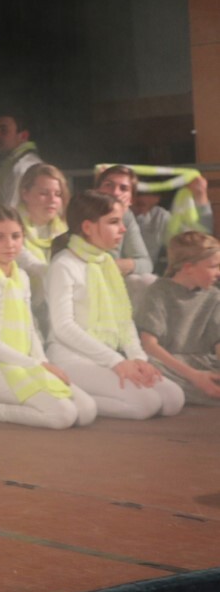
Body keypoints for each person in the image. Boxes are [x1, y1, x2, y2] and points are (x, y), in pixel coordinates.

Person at [44, 190, 184, 421]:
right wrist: (116, 361)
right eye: (113, 222)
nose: (123, 229)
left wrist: (138, 358)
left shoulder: (107, 263)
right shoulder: (64, 265)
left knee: (173, 399)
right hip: (72, 358)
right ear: (88, 227)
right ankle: (69, 397)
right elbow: (63, 327)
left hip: (107, 357)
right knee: (147, 403)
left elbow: (123, 319)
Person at [0, 205, 96, 429]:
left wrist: (43, 363)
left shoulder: (21, 276)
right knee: (63, 416)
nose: (9, 244)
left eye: (15, 236)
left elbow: (30, 329)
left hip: (26, 364)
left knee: (87, 410)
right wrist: (36, 365)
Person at [135, 231, 220, 405]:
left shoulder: (214, 296)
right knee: (149, 366)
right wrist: (194, 376)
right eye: (213, 266)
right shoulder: (158, 292)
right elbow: (149, 345)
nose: (218, 272)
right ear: (188, 268)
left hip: (201, 362)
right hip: (167, 362)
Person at [94, 165, 154, 286]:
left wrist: (118, 265)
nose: (115, 192)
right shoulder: (84, 211)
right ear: (97, 191)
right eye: (109, 185)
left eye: (123, 188)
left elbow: (146, 264)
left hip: (110, 281)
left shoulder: (126, 216)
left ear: (131, 200)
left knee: (145, 280)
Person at [0, 112, 44, 208]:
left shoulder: (22, 167)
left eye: (3, 131)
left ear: (23, 136)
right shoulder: (15, 163)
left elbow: (9, 211)